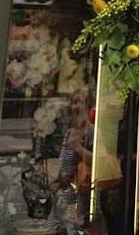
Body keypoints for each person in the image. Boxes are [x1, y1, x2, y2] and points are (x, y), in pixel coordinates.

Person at [52, 88, 94, 231]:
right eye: (73, 103)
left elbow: (96, 162)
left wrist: (78, 148)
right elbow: (63, 162)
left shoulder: (91, 132)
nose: (75, 107)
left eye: (79, 102)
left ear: (87, 106)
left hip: (81, 196)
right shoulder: (70, 132)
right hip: (65, 195)